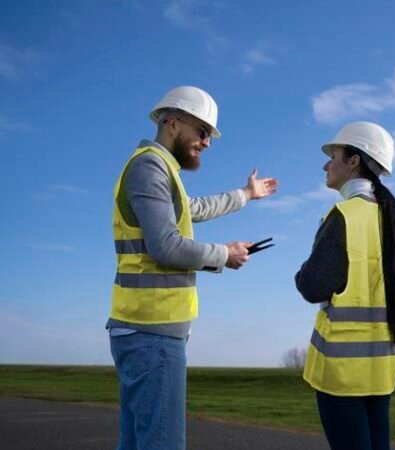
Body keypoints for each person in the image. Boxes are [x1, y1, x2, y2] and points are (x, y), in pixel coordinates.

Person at [107, 85, 278, 450]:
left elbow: (193, 209)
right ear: (172, 123)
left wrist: (245, 195)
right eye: (202, 132)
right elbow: (166, 246)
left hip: (143, 330)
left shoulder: (161, 169)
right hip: (151, 332)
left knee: (138, 441)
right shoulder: (149, 168)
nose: (207, 142)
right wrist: (223, 255)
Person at [295, 121, 395, 450]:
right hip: (382, 372)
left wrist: (303, 270)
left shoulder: (344, 215)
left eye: (333, 154)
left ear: (353, 161)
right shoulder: (394, 221)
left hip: (342, 375)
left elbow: (312, 286)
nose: (325, 163)